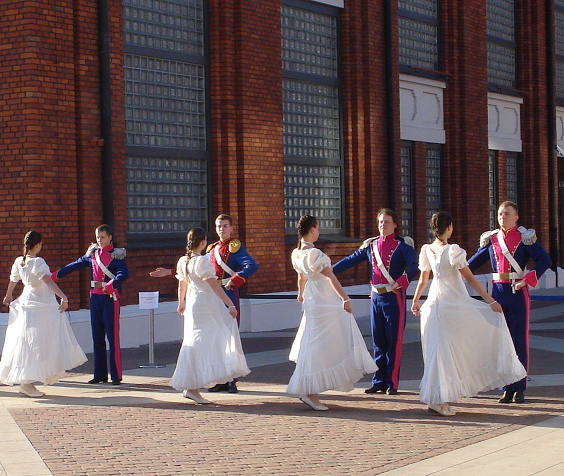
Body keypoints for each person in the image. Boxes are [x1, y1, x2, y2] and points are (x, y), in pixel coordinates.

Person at [411, 211, 527, 416]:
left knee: (437, 352)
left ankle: (437, 398)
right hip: (450, 304)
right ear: (450, 228)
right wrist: (490, 300)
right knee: (449, 351)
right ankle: (439, 399)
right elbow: (471, 279)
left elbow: (422, 280)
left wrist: (416, 301)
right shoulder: (453, 251)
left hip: (433, 304)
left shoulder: (426, 249)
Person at [150, 214, 257, 393]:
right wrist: (169, 272)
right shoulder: (211, 249)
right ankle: (220, 378)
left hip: (226, 292)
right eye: (218, 226)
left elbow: (251, 266)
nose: (221, 229)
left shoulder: (236, 248)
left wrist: (236, 279)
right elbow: (193, 268)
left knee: (227, 335)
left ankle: (231, 378)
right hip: (210, 296)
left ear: (231, 228)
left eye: (225, 226)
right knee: (214, 338)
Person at [287, 216, 377, 411]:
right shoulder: (314, 253)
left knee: (315, 342)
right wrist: (345, 298)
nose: (319, 231)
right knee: (319, 344)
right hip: (322, 301)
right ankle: (309, 390)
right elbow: (330, 277)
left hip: (313, 299)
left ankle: (310, 389)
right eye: (318, 228)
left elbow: (301, 278)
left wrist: (301, 293)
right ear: (312, 230)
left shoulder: (296, 253)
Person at [468, 201, 551, 404]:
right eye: (500, 214)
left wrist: (528, 278)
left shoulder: (524, 238)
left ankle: (520, 387)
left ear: (516, 217)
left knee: (518, 342)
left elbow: (545, 260)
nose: (502, 217)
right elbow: (471, 264)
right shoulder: (492, 239)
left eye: (507, 214)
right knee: (502, 343)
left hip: (517, 292)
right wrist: (453, 265)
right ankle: (507, 387)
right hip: (498, 293)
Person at [333, 208, 418, 395]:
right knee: (378, 341)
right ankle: (379, 380)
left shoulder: (402, 247)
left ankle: (392, 382)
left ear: (395, 224)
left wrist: (402, 281)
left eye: (387, 221)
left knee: (393, 341)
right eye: (380, 221)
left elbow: (414, 266)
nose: (382, 225)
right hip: (376, 298)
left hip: (393, 297)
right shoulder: (371, 246)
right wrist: (329, 271)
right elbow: (350, 260)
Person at [0, 231, 87, 397]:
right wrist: (63, 296)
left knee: (29, 343)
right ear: (38, 245)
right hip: (38, 306)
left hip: (27, 304)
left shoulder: (20, 261)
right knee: (37, 343)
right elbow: (48, 281)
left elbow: (13, 279)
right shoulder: (38, 261)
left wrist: (9, 294)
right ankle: (26, 382)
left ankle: (27, 382)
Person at [170, 228, 250, 404]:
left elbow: (182, 285)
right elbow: (214, 286)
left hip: (192, 304)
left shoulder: (183, 261)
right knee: (210, 339)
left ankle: (192, 386)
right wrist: (229, 304)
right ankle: (194, 386)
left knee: (196, 340)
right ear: (203, 242)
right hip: (205, 304)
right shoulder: (201, 262)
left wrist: (181, 302)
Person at [51, 224, 129, 385]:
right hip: (95, 298)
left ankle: (116, 376)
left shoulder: (117, 255)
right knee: (97, 337)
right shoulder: (93, 254)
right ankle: (100, 374)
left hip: (110, 298)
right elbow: (75, 265)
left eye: (102, 237)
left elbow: (123, 273)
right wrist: (54, 276)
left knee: (112, 337)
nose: (99, 241)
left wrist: (112, 284)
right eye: (97, 237)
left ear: (109, 238)